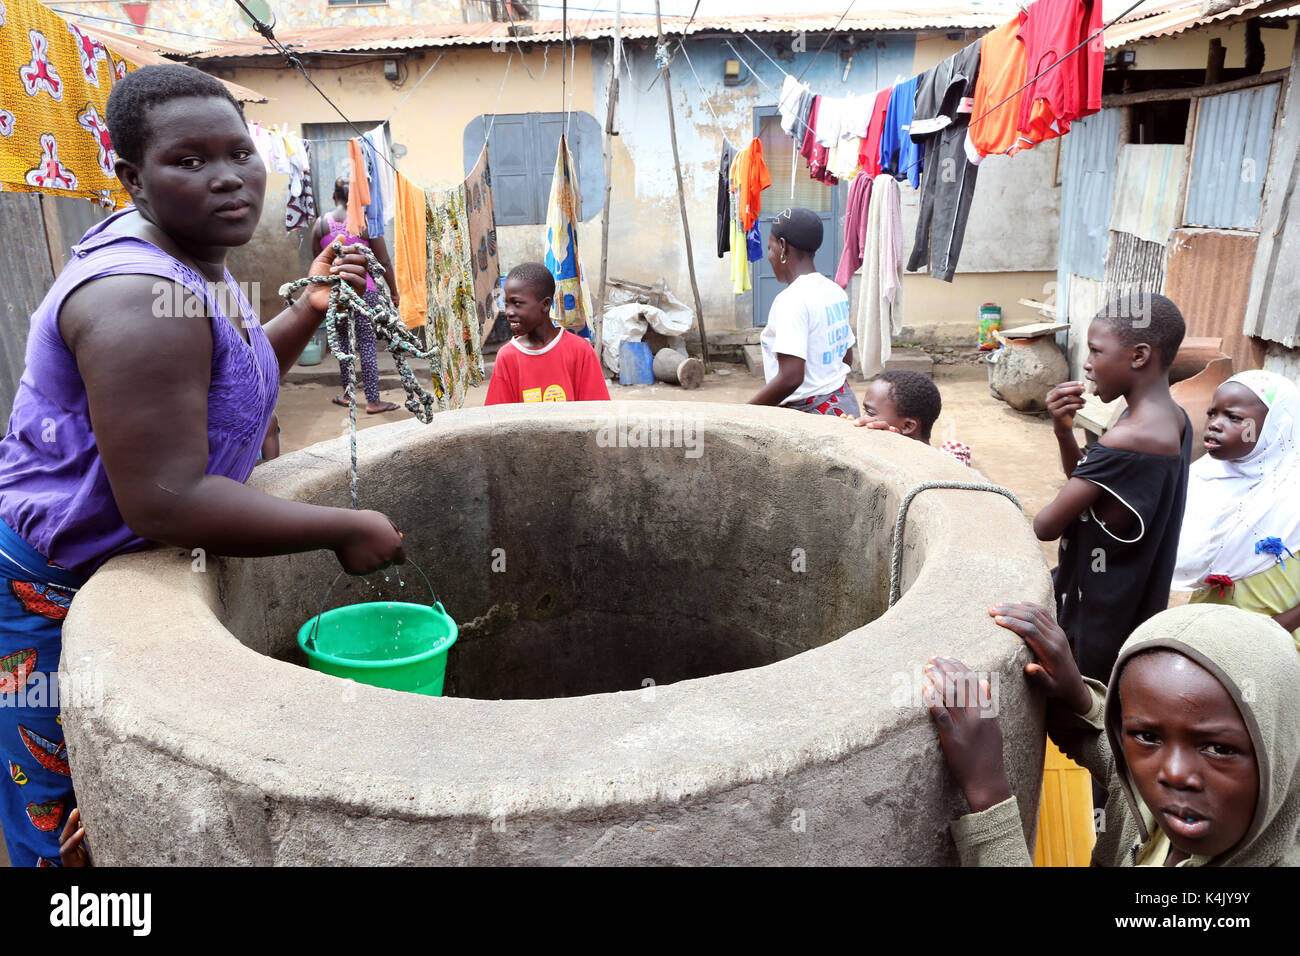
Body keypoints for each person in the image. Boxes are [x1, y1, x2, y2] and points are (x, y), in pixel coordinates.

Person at [0, 64, 405, 867]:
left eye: (240, 153)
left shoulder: (193, 264)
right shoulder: (136, 300)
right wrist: (345, 527)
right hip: (50, 584)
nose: (228, 178)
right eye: (188, 161)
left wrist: (307, 309)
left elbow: (234, 375)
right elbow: (165, 500)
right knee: (66, 818)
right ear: (131, 177)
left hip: (107, 561)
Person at [926, 601, 1299, 866]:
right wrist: (1077, 697)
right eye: (1149, 736)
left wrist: (989, 795)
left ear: (1280, 753)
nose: (1173, 773)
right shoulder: (1181, 807)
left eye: (1218, 747)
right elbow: (1121, 766)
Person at [1037, 295, 1191, 682]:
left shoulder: (1129, 437)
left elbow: (1046, 525)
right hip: (1132, 608)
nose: (1087, 364)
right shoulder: (1174, 420)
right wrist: (1063, 433)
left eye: (1095, 351)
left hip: (1096, 621)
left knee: (1089, 721)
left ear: (1139, 356)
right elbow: (1095, 490)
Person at [1173, 370, 1300, 647]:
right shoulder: (1203, 478)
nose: (1215, 425)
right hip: (1211, 632)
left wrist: (1277, 629)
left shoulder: (1294, 494)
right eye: (1212, 413)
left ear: (1276, 426)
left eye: (1234, 417)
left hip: (1279, 642)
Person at [748, 207, 858, 417]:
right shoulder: (835, 291)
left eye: (770, 248)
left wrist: (746, 412)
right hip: (844, 406)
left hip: (813, 416)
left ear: (782, 246)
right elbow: (845, 358)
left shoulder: (791, 300)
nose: (769, 256)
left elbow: (791, 377)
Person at [309, 177, 400, 414]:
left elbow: (318, 264)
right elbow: (383, 261)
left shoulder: (319, 225)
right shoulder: (365, 223)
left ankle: (349, 395)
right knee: (367, 344)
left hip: (336, 294)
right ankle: (373, 401)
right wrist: (394, 292)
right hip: (365, 291)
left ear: (334, 197)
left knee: (343, 343)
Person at [483, 263, 610, 405]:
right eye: (506, 304)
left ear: (545, 304)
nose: (508, 312)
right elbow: (498, 417)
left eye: (517, 303)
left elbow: (597, 411)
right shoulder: (507, 357)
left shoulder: (580, 351)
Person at [850, 370, 972, 466]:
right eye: (865, 411)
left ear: (907, 426)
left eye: (870, 413)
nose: (863, 419)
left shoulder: (942, 470)